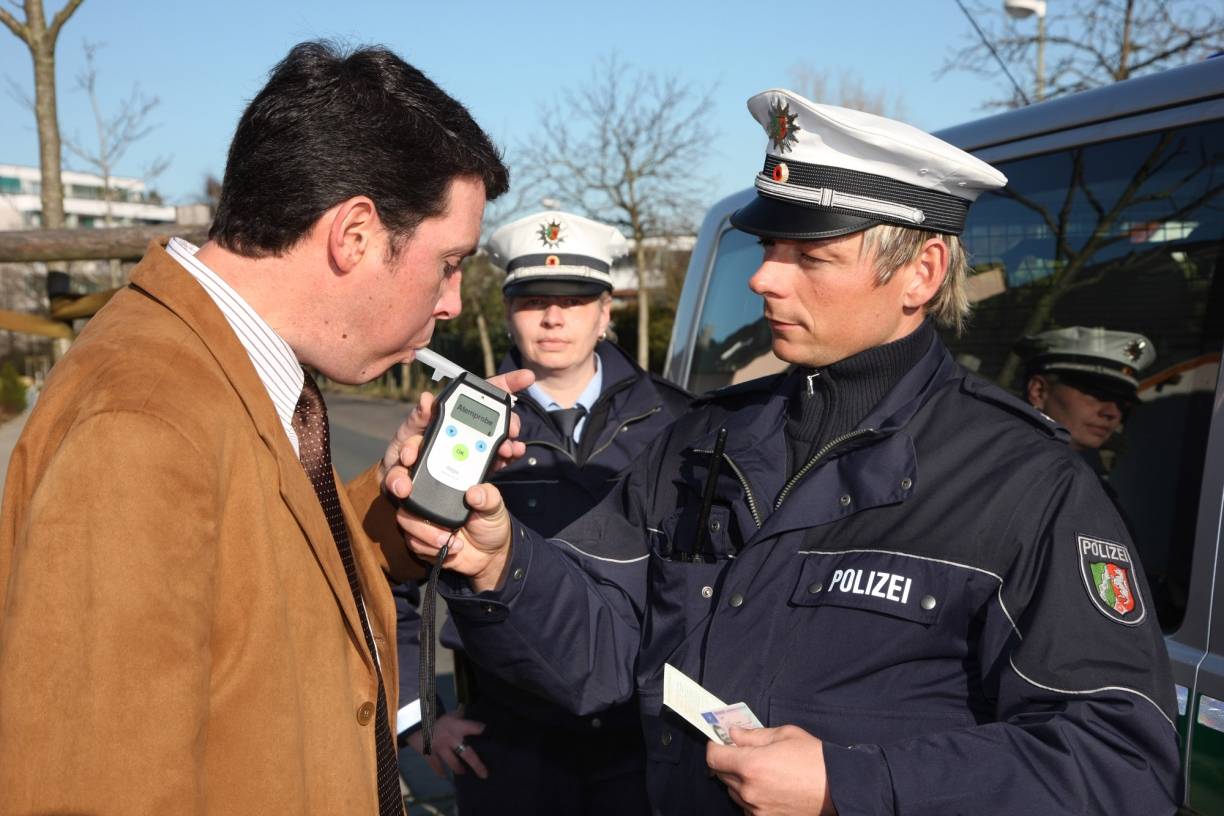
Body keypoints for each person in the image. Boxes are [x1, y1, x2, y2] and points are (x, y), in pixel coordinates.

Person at [388, 89, 1180, 815]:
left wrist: (852, 785)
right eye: (771, 245)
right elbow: (599, 658)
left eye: (812, 256)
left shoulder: (1025, 481)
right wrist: (498, 565)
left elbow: (1121, 766)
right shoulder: (701, 440)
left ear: (921, 272)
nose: (764, 276)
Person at [0, 41, 529, 815]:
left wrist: (397, 509)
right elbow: (89, 786)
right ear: (353, 236)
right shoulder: (142, 425)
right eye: (449, 262)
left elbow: (253, 580)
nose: (451, 301)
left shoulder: (226, 367)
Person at [404, 210, 690, 814]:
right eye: (534, 300)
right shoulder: (463, 427)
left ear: (606, 310)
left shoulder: (681, 422)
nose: (554, 317)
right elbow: (397, 570)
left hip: (642, 735)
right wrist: (417, 714)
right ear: (508, 310)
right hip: (508, 741)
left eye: (575, 299)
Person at [1019, 325, 1154, 453]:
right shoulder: (1003, 458)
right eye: (1097, 395)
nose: (1112, 413)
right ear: (1039, 391)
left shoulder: (1087, 474)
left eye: (1122, 404)